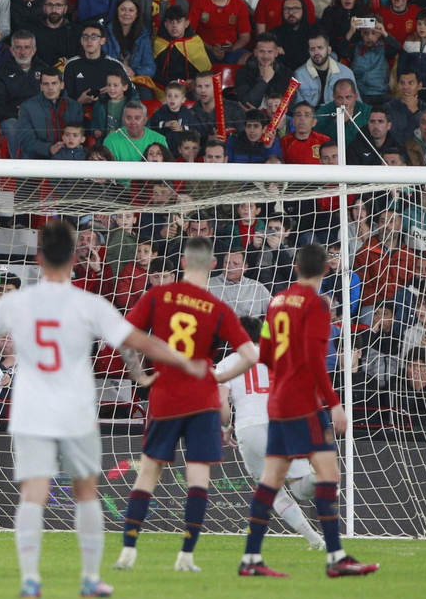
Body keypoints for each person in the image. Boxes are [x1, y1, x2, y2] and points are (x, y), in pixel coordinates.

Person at [0, 219, 208, 599]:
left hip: (31, 411)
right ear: (75, 258)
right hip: (75, 412)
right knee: (86, 492)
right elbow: (138, 340)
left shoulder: (17, 302)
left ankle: (31, 579)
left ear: (38, 257)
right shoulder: (88, 304)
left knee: (33, 493)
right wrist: (183, 361)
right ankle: (91, 579)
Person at [115, 238, 258, 573]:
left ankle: (128, 552)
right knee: (198, 479)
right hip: (202, 400)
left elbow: (126, 337)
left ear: (182, 262)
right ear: (212, 265)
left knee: (148, 473)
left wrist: (139, 376)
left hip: (165, 395)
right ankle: (186, 557)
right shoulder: (217, 307)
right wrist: (219, 378)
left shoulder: (158, 295)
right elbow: (251, 354)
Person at [237, 244, 380, 578]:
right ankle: (336, 557)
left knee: (270, 480)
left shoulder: (276, 302)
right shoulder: (318, 304)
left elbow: (268, 355)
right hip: (303, 403)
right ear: (326, 269)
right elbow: (318, 360)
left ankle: (251, 559)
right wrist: (334, 402)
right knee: (328, 474)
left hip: (278, 400)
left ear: (296, 267)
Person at [215, 337, 325, 549]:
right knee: (302, 489)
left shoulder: (227, 363)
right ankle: (317, 477)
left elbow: (222, 406)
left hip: (249, 427)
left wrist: (226, 429)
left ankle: (315, 540)